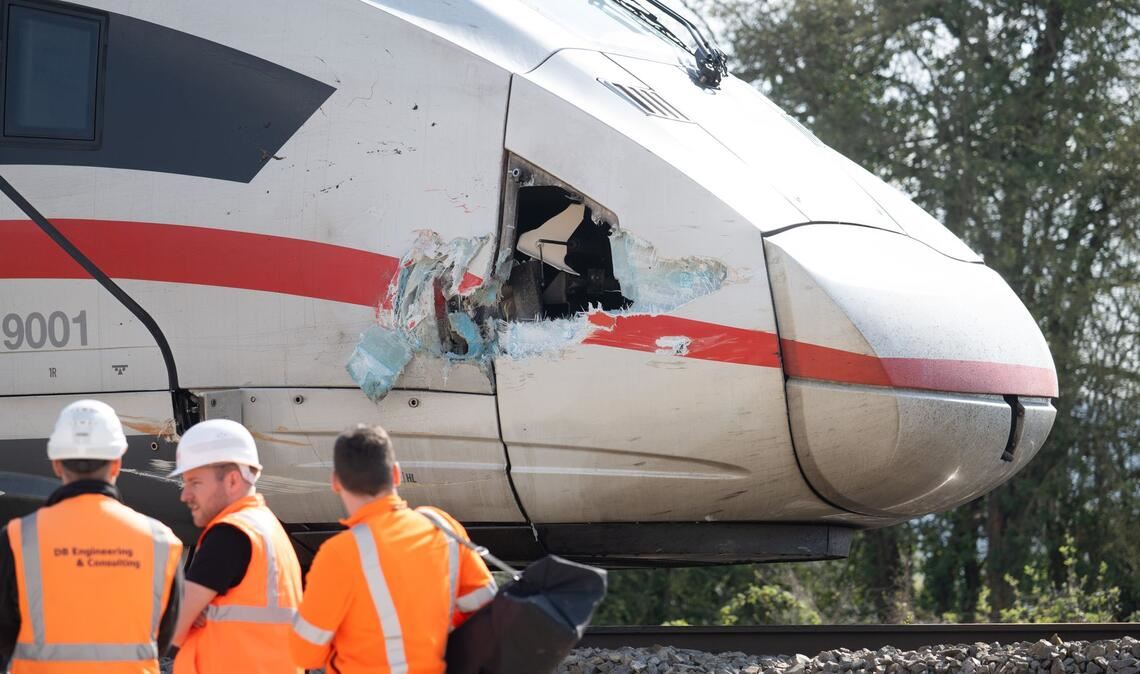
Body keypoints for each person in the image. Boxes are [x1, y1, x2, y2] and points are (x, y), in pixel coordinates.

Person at [289, 424, 498, 674]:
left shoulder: (339, 554)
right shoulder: (441, 526)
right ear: (396, 474)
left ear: (335, 482)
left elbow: (305, 652)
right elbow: (485, 605)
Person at [0, 399, 183, 673]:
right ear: (117, 464)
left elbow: (4, 636)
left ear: (57, 464)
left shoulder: (18, 539)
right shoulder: (161, 542)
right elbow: (165, 636)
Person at [170, 419, 302, 674]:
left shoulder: (229, 535)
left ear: (232, 481)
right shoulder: (265, 527)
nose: (184, 495)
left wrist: (187, 612)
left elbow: (170, 630)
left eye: (194, 483)